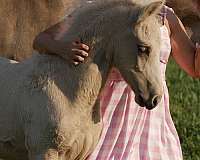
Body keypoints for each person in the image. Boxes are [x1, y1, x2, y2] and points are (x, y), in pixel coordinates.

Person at [33, 2, 200, 160]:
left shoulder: (164, 16)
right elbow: (41, 39)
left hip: (150, 123)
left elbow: (194, 66)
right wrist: (63, 48)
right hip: (106, 118)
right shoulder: (104, 11)